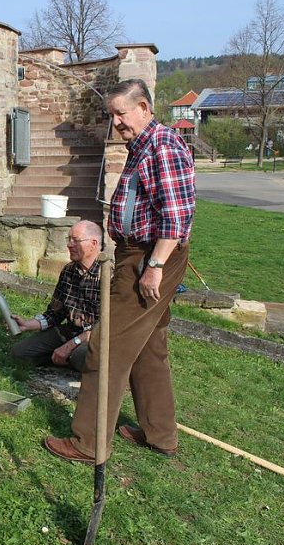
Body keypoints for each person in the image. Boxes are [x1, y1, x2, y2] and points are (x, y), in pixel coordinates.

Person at [44, 79, 195, 464]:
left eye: (121, 113)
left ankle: (88, 443)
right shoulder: (142, 146)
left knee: (106, 344)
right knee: (149, 347)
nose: (116, 122)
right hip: (138, 253)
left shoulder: (163, 146)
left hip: (150, 256)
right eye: (111, 114)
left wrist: (154, 266)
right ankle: (160, 434)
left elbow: (176, 215)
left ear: (143, 108)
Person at [10, 220, 103, 373]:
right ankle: (64, 358)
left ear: (93, 243)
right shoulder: (68, 271)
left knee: (82, 357)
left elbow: (110, 326)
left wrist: (73, 344)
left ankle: (71, 358)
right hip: (71, 331)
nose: (69, 245)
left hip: (96, 337)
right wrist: (27, 325)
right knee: (19, 353)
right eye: (69, 239)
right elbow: (55, 313)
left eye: (75, 240)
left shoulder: (109, 274)